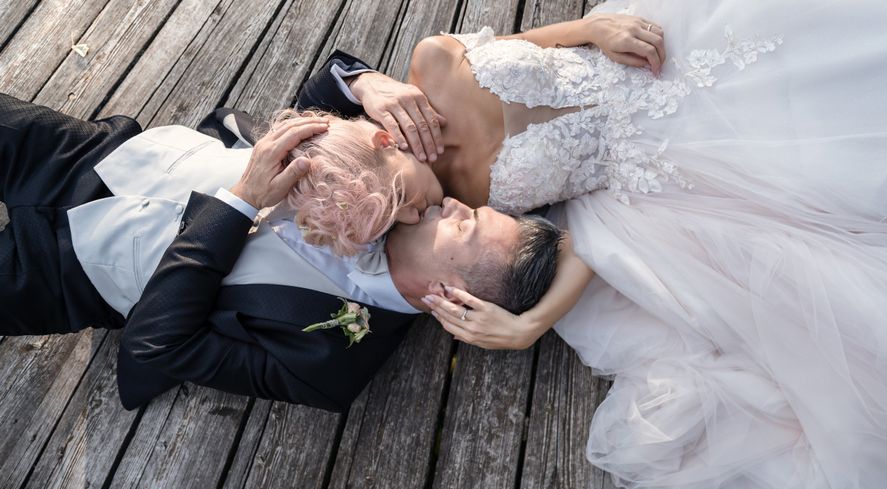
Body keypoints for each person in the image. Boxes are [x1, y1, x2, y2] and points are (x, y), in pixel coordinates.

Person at [299, 0, 887, 489]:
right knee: (841, 173)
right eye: (401, 221)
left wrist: (591, 29)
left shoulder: (430, 61)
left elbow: (524, 44)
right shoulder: (481, 202)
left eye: (404, 196)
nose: (419, 210)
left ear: (382, 140)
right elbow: (583, 240)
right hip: (664, 163)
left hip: (657, 64)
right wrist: (532, 321)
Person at [0, 92, 561, 412]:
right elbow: (330, 97)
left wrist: (242, 203)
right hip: (95, 153)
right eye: (475, 209)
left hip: (59, 272)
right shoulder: (403, 195)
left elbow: (156, 344)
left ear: (450, 297)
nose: (458, 207)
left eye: (466, 228)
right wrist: (366, 82)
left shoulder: (330, 365)